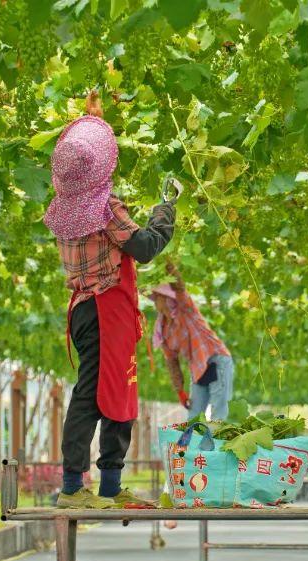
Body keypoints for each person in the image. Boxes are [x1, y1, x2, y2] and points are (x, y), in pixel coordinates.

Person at [45, 91, 182, 509]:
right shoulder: (105, 207)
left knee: (97, 390)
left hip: (85, 312)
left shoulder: (64, 209)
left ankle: (92, 484)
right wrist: (165, 212)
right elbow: (143, 247)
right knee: (105, 392)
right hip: (109, 311)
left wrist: (92, 114)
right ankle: (83, 488)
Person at [150, 262, 234, 420]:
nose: (155, 301)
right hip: (198, 368)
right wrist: (180, 390)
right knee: (194, 417)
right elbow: (172, 362)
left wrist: (169, 264)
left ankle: (219, 444)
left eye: (157, 297)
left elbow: (180, 288)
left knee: (219, 413)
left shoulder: (185, 309)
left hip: (217, 360)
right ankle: (194, 445)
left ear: (167, 298)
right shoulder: (163, 330)